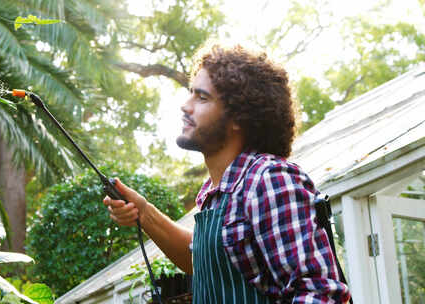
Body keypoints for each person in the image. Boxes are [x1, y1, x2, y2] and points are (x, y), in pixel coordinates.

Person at [103, 43, 351, 303]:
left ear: (238, 118)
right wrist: (145, 214)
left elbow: (322, 294)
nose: (185, 106)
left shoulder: (269, 179)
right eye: (191, 93)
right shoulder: (216, 194)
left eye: (202, 97)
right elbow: (204, 263)